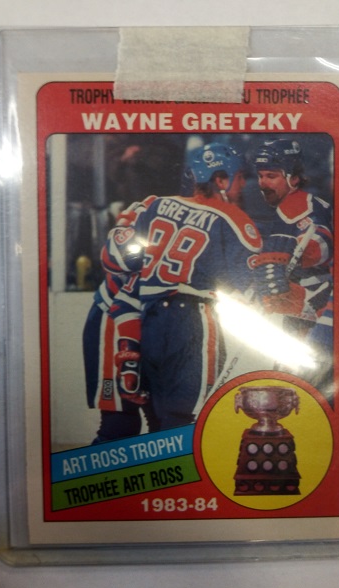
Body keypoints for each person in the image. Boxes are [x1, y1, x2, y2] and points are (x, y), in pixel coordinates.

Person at [101, 143, 263, 430]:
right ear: (220, 179)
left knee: (155, 416)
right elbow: (246, 286)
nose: (243, 184)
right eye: (239, 177)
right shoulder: (234, 219)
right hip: (193, 320)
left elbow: (122, 260)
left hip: (148, 319)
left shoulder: (155, 205)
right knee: (187, 418)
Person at [251, 138, 334, 395]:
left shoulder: (299, 205)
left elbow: (320, 243)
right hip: (303, 306)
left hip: (317, 303)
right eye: (260, 176)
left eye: (271, 176)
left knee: (299, 382)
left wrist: (290, 253)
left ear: (294, 178)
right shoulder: (288, 206)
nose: (263, 183)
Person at [82, 197, 160, 443]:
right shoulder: (150, 208)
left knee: (166, 424)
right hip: (115, 322)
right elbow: (113, 255)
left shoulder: (223, 220)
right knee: (120, 425)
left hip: (158, 328)